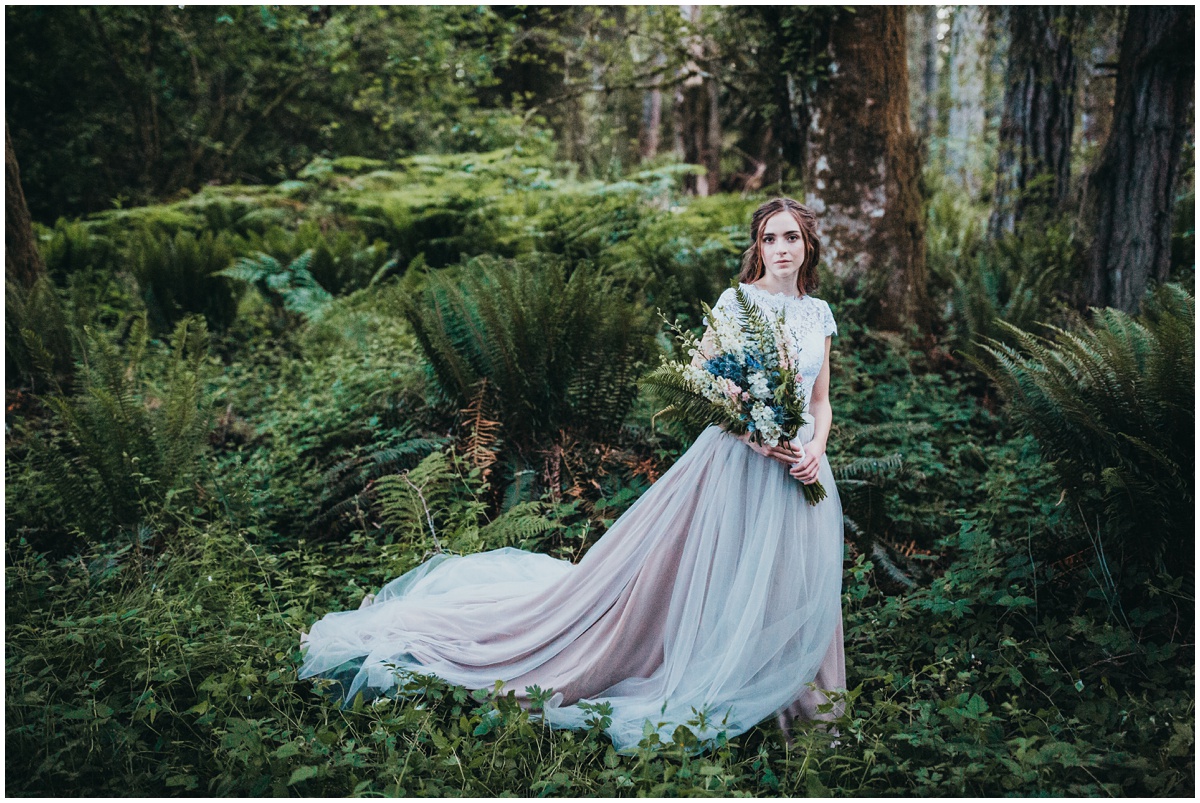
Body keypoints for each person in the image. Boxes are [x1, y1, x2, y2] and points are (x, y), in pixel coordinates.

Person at [298, 197, 845, 752]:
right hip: (738, 460)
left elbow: (820, 400)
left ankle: (794, 705)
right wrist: (741, 414)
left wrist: (814, 449)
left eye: (792, 238)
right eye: (771, 238)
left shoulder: (817, 314)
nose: (782, 249)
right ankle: (717, 675)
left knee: (788, 579)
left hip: (797, 466)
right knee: (722, 572)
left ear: (808, 245)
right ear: (758, 246)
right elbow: (701, 375)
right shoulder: (736, 302)